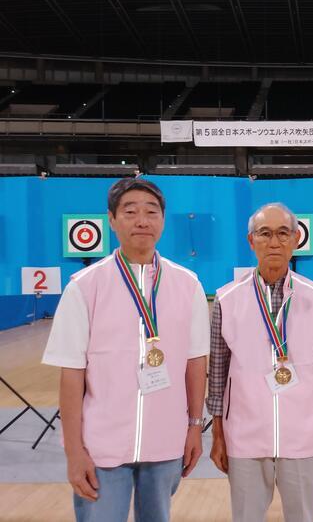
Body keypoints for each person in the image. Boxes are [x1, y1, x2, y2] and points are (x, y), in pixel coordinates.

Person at [42, 177, 210, 522]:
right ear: (112, 220)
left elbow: (195, 363)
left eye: (151, 212)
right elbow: (71, 375)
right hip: (101, 445)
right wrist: (74, 450)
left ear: (163, 220)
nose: (142, 221)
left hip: (166, 441)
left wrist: (195, 425)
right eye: (130, 211)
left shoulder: (187, 284)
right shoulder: (84, 287)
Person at [207, 202, 313, 522]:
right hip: (245, 437)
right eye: (265, 234)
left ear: (296, 239)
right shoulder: (227, 298)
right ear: (251, 241)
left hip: (303, 436)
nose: (274, 242)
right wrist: (218, 435)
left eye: (283, 233)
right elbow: (219, 374)